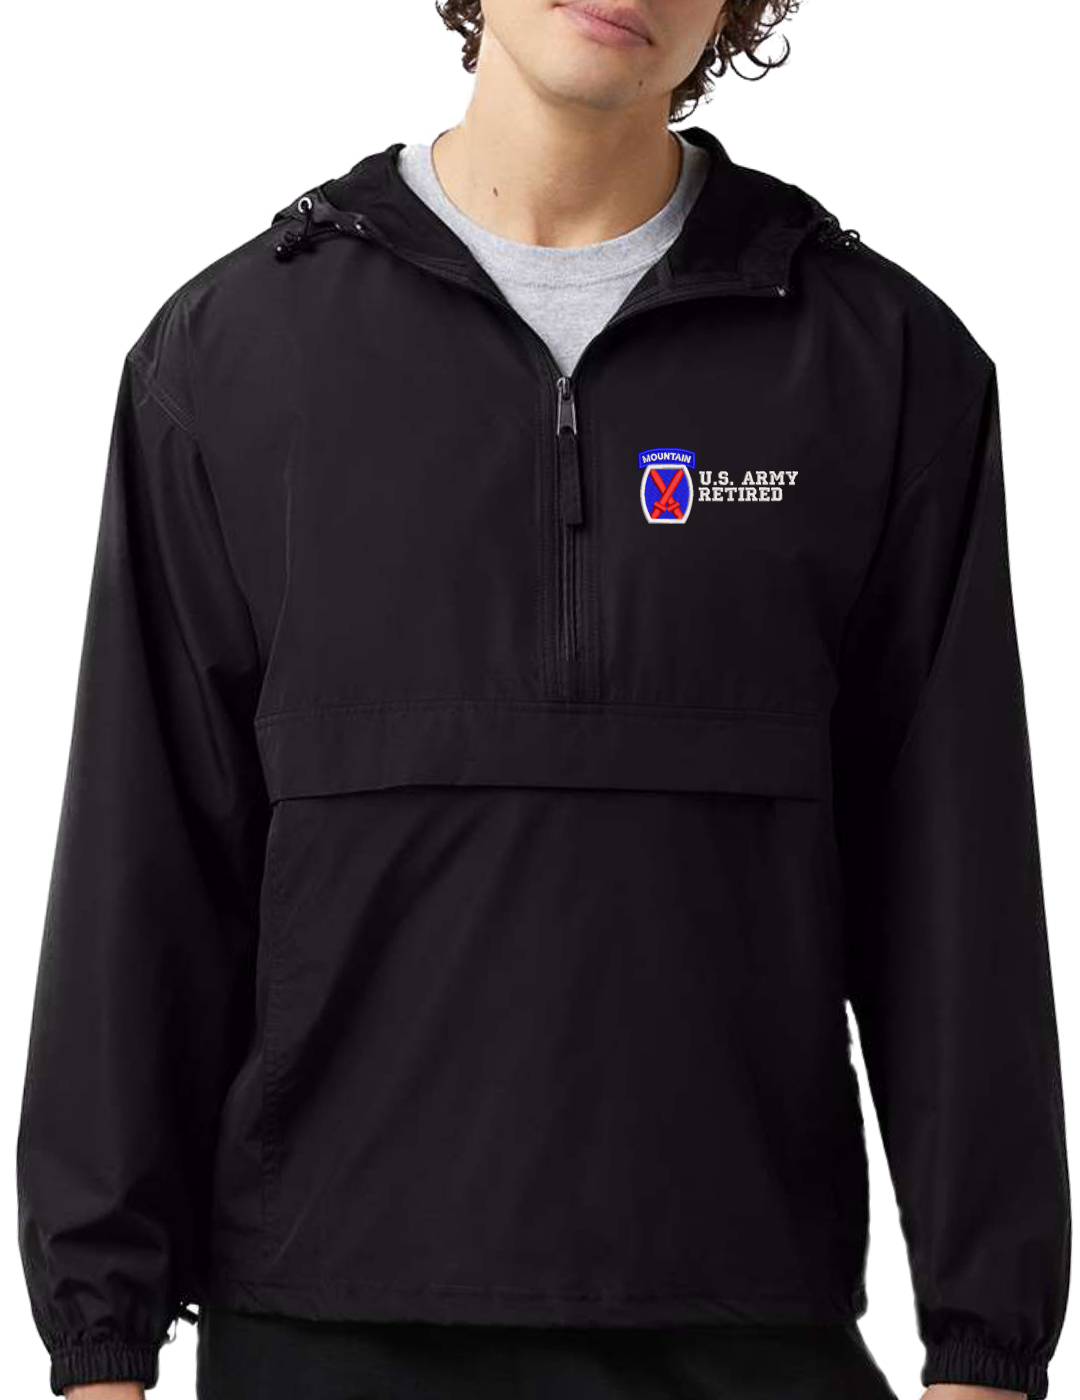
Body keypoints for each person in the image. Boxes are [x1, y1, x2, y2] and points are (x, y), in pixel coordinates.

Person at [16, 2, 1070, 1398]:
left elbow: (953, 879)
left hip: (741, 1324)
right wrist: (99, 1340)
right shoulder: (231, 355)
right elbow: (142, 862)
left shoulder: (883, 363)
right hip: (325, 1330)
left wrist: (986, 1344)